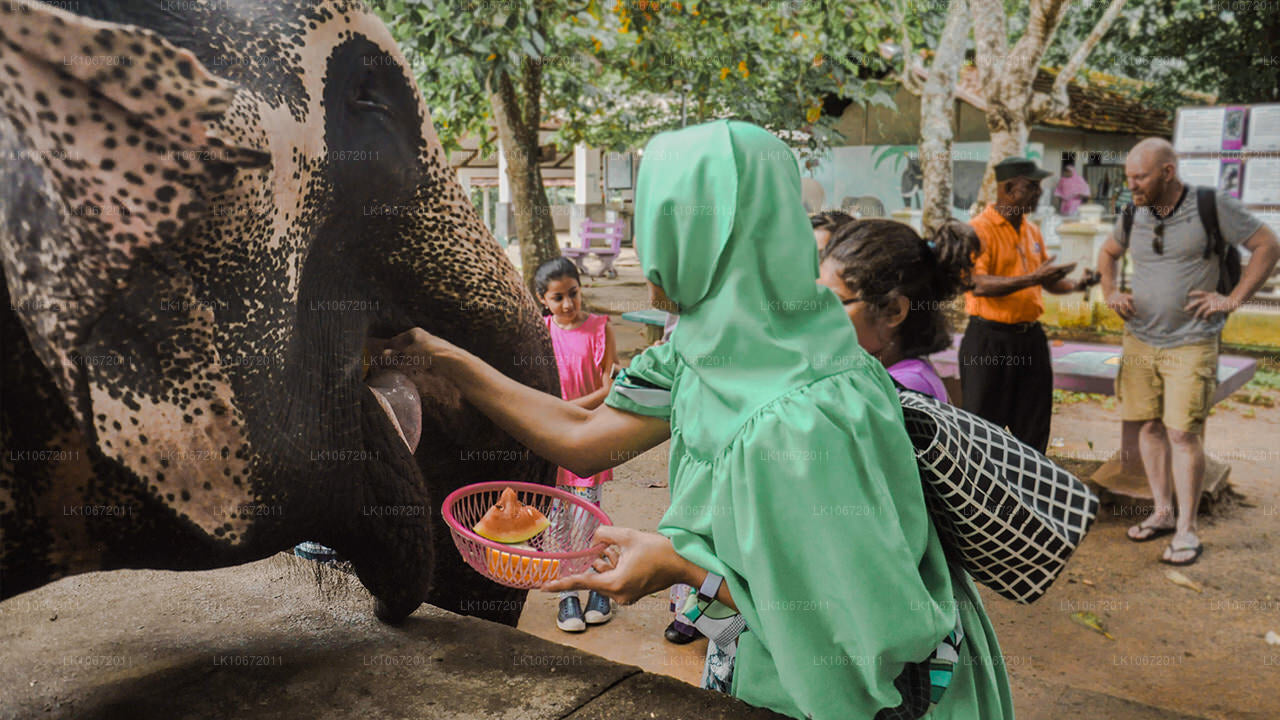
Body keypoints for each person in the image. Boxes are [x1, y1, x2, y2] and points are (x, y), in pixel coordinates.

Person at [385, 121, 1012, 719]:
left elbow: (861, 635)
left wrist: (684, 568)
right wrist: (442, 356)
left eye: (654, 217)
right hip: (763, 663)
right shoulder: (700, 349)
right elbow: (581, 440)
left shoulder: (803, 419)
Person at [1098, 137, 1280, 566]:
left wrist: (1233, 298)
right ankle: (1162, 512)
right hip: (1140, 337)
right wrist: (1110, 291)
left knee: (1183, 432)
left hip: (1192, 340)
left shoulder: (1209, 206)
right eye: (1128, 177)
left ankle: (1187, 529)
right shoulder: (1132, 213)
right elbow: (1108, 254)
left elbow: (1267, 245)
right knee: (1149, 426)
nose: (1132, 185)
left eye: (1139, 177)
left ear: (1168, 172)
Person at [960, 157, 1096, 453]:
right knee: (984, 428)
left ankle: (1032, 491)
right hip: (989, 341)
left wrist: (1076, 285)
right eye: (1032, 187)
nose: (1039, 194)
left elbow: (1045, 281)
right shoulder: (978, 231)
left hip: (1030, 340)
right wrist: (1032, 277)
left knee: (1033, 424)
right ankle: (985, 494)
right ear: (1009, 188)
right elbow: (977, 284)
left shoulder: (1031, 231)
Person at [533, 257, 620, 631]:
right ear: (543, 299)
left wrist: (562, 410)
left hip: (589, 438)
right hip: (552, 442)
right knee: (556, 523)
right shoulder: (539, 332)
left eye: (573, 294)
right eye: (557, 298)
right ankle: (568, 595)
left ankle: (599, 586)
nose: (567, 304)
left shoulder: (601, 328)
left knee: (589, 518)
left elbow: (606, 388)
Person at [818, 218, 979, 403]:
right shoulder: (876, 374)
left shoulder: (906, 388)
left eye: (836, 302)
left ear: (894, 311)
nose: (821, 314)